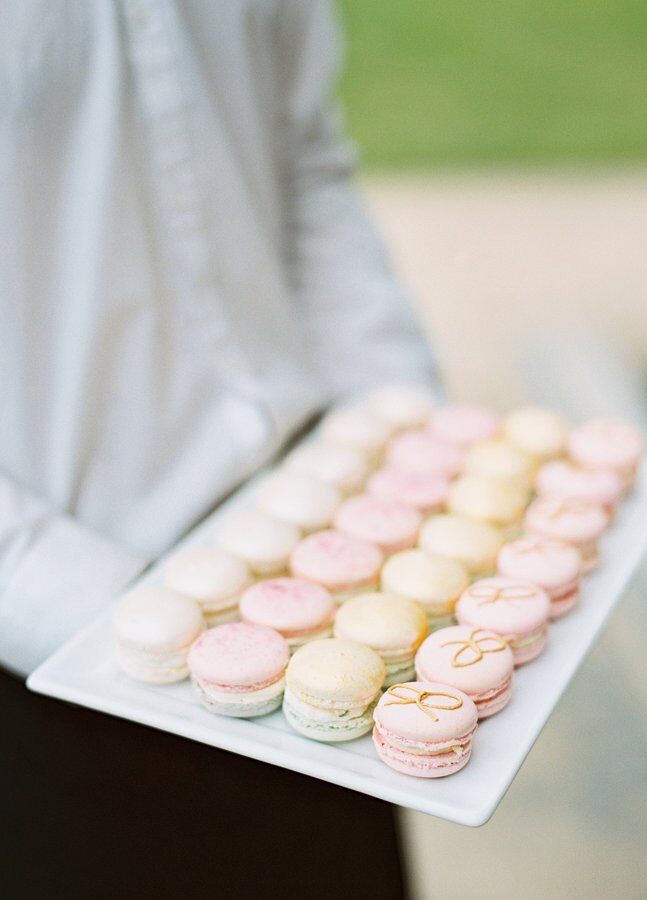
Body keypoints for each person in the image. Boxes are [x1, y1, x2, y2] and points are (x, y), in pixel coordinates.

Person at [1, 2, 434, 896]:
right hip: (56, 654)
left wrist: (403, 434)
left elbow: (304, 155)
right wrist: (112, 613)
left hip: (331, 589)